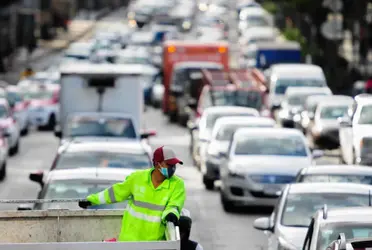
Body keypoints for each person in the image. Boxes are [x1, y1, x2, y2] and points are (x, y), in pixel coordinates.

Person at [78, 146, 186, 241]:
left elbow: (174, 205)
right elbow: (115, 193)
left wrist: (171, 215)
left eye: (174, 165)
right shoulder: (137, 178)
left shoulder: (177, 184)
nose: (173, 168)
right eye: (169, 164)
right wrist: (91, 200)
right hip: (129, 242)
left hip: (154, 244)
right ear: (158, 164)